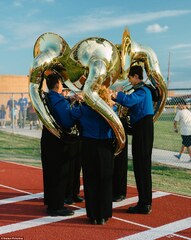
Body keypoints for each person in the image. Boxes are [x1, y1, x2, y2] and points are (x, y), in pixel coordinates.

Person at [71, 85, 116, 225]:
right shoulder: (111, 109)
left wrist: (81, 102)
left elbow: (72, 115)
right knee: (106, 180)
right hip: (105, 146)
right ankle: (104, 214)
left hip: (88, 145)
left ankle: (93, 214)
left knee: (90, 180)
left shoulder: (83, 109)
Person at [115, 65, 154, 214]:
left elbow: (129, 101)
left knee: (142, 167)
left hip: (143, 130)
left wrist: (118, 94)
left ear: (136, 76)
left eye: (130, 77)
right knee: (140, 166)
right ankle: (144, 202)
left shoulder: (143, 91)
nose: (129, 81)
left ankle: (144, 203)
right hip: (141, 130)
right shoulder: (142, 90)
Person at [41, 73, 80, 216]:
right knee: (59, 174)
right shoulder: (58, 101)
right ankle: (56, 207)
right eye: (61, 81)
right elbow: (67, 121)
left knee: (51, 173)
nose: (62, 83)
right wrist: (79, 111)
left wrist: (70, 99)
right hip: (58, 142)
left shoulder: (50, 96)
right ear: (57, 84)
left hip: (49, 139)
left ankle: (52, 203)